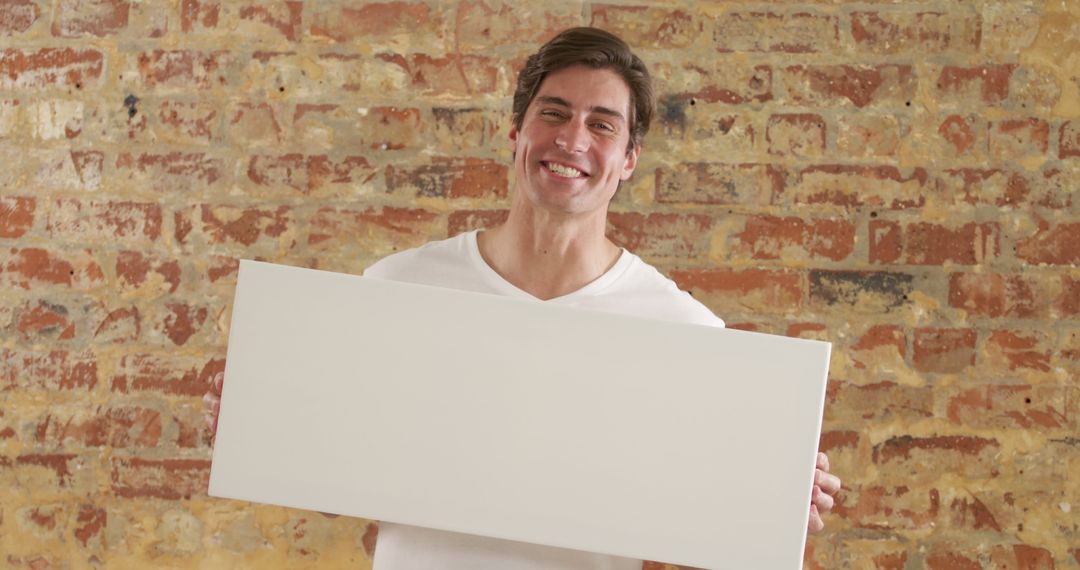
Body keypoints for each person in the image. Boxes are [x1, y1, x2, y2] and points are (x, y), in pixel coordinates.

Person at [204, 27, 841, 569]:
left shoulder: (685, 332)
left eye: (602, 125)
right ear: (516, 132)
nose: (572, 141)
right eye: (554, 113)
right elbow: (339, 482)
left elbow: (701, 518)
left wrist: (772, 491)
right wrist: (264, 427)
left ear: (628, 159)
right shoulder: (400, 288)